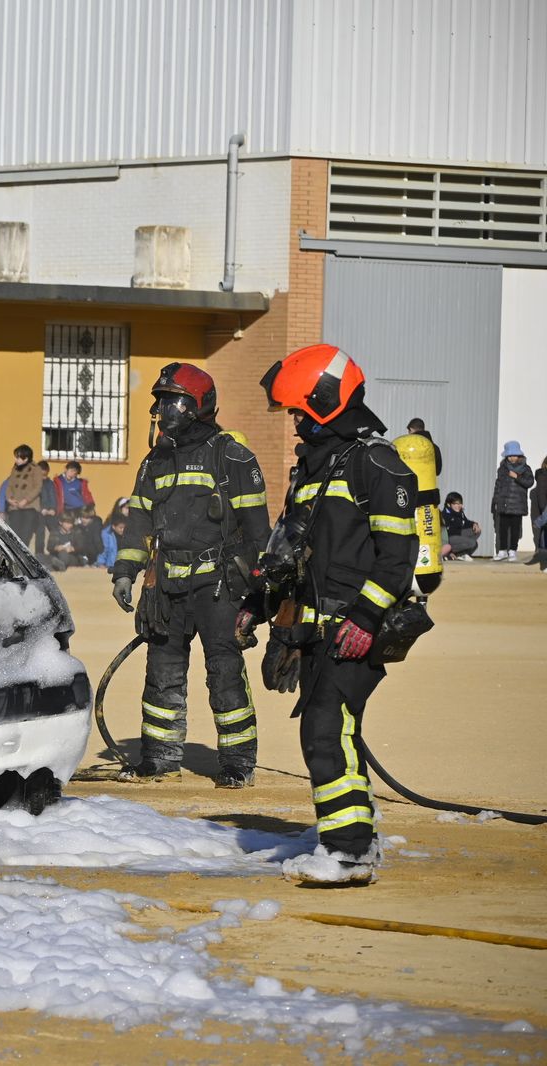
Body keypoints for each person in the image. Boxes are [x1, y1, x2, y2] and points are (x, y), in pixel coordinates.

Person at [247, 344, 417, 886]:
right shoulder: (314, 469)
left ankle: (347, 854)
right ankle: (356, 838)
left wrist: (365, 620)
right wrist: (261, 607)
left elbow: (399, 556)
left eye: (299, 410)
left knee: (325, 729)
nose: (295, 422)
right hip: (319, 631)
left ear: (324, 400)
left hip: (356, 630)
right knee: (335, 732)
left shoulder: (375, 463)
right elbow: (290, 551)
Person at [111, 363, 269, 789]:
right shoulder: (154, 461)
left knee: (224, 672)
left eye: (175, 400)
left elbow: (259, 533)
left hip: (218, 585)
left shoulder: (232, 456)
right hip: (165, 586)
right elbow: (138, 524)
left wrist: (259, 597)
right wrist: (126, 571)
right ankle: (159, 759)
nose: (165, 410)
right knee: (161, 671)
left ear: (200, 405)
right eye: (161, 401)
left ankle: (238, 763)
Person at [490, 442, 532, 561]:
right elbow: (498, 485)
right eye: (509, 455)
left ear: (519, 456)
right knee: (502, 528)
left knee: (515, 529)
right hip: (504, 503)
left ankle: (513, 551)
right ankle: (502, 551)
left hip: (517, 504)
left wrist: (517, 477)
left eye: (514, 455)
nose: (512, 458)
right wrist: (496, 501)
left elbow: (530, 482)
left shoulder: (525, 468)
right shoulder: (502, 469)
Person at [3, 444, 44, 550]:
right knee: (14, 535)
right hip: (15, 507)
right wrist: (10, 499)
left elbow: (37, 487)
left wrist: (26, 500)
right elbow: (10, 485)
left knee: (25, 536)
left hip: (29, 508)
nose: (15, 459)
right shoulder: (15, 468)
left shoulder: (36, 469)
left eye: (18, 457)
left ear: (25, 458)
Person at [440, 493, 481, 560]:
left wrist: (474, 524)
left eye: (460, 503)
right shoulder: (445, 515)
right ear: (448, 504)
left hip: (458, 535)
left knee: (477, 533)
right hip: (448, 539)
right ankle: (450, 553)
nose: (459, 506)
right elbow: (446, 533)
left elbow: (466, 522)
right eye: (456, 503)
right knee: (472, 543)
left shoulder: (459, 512)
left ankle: (461, 554)